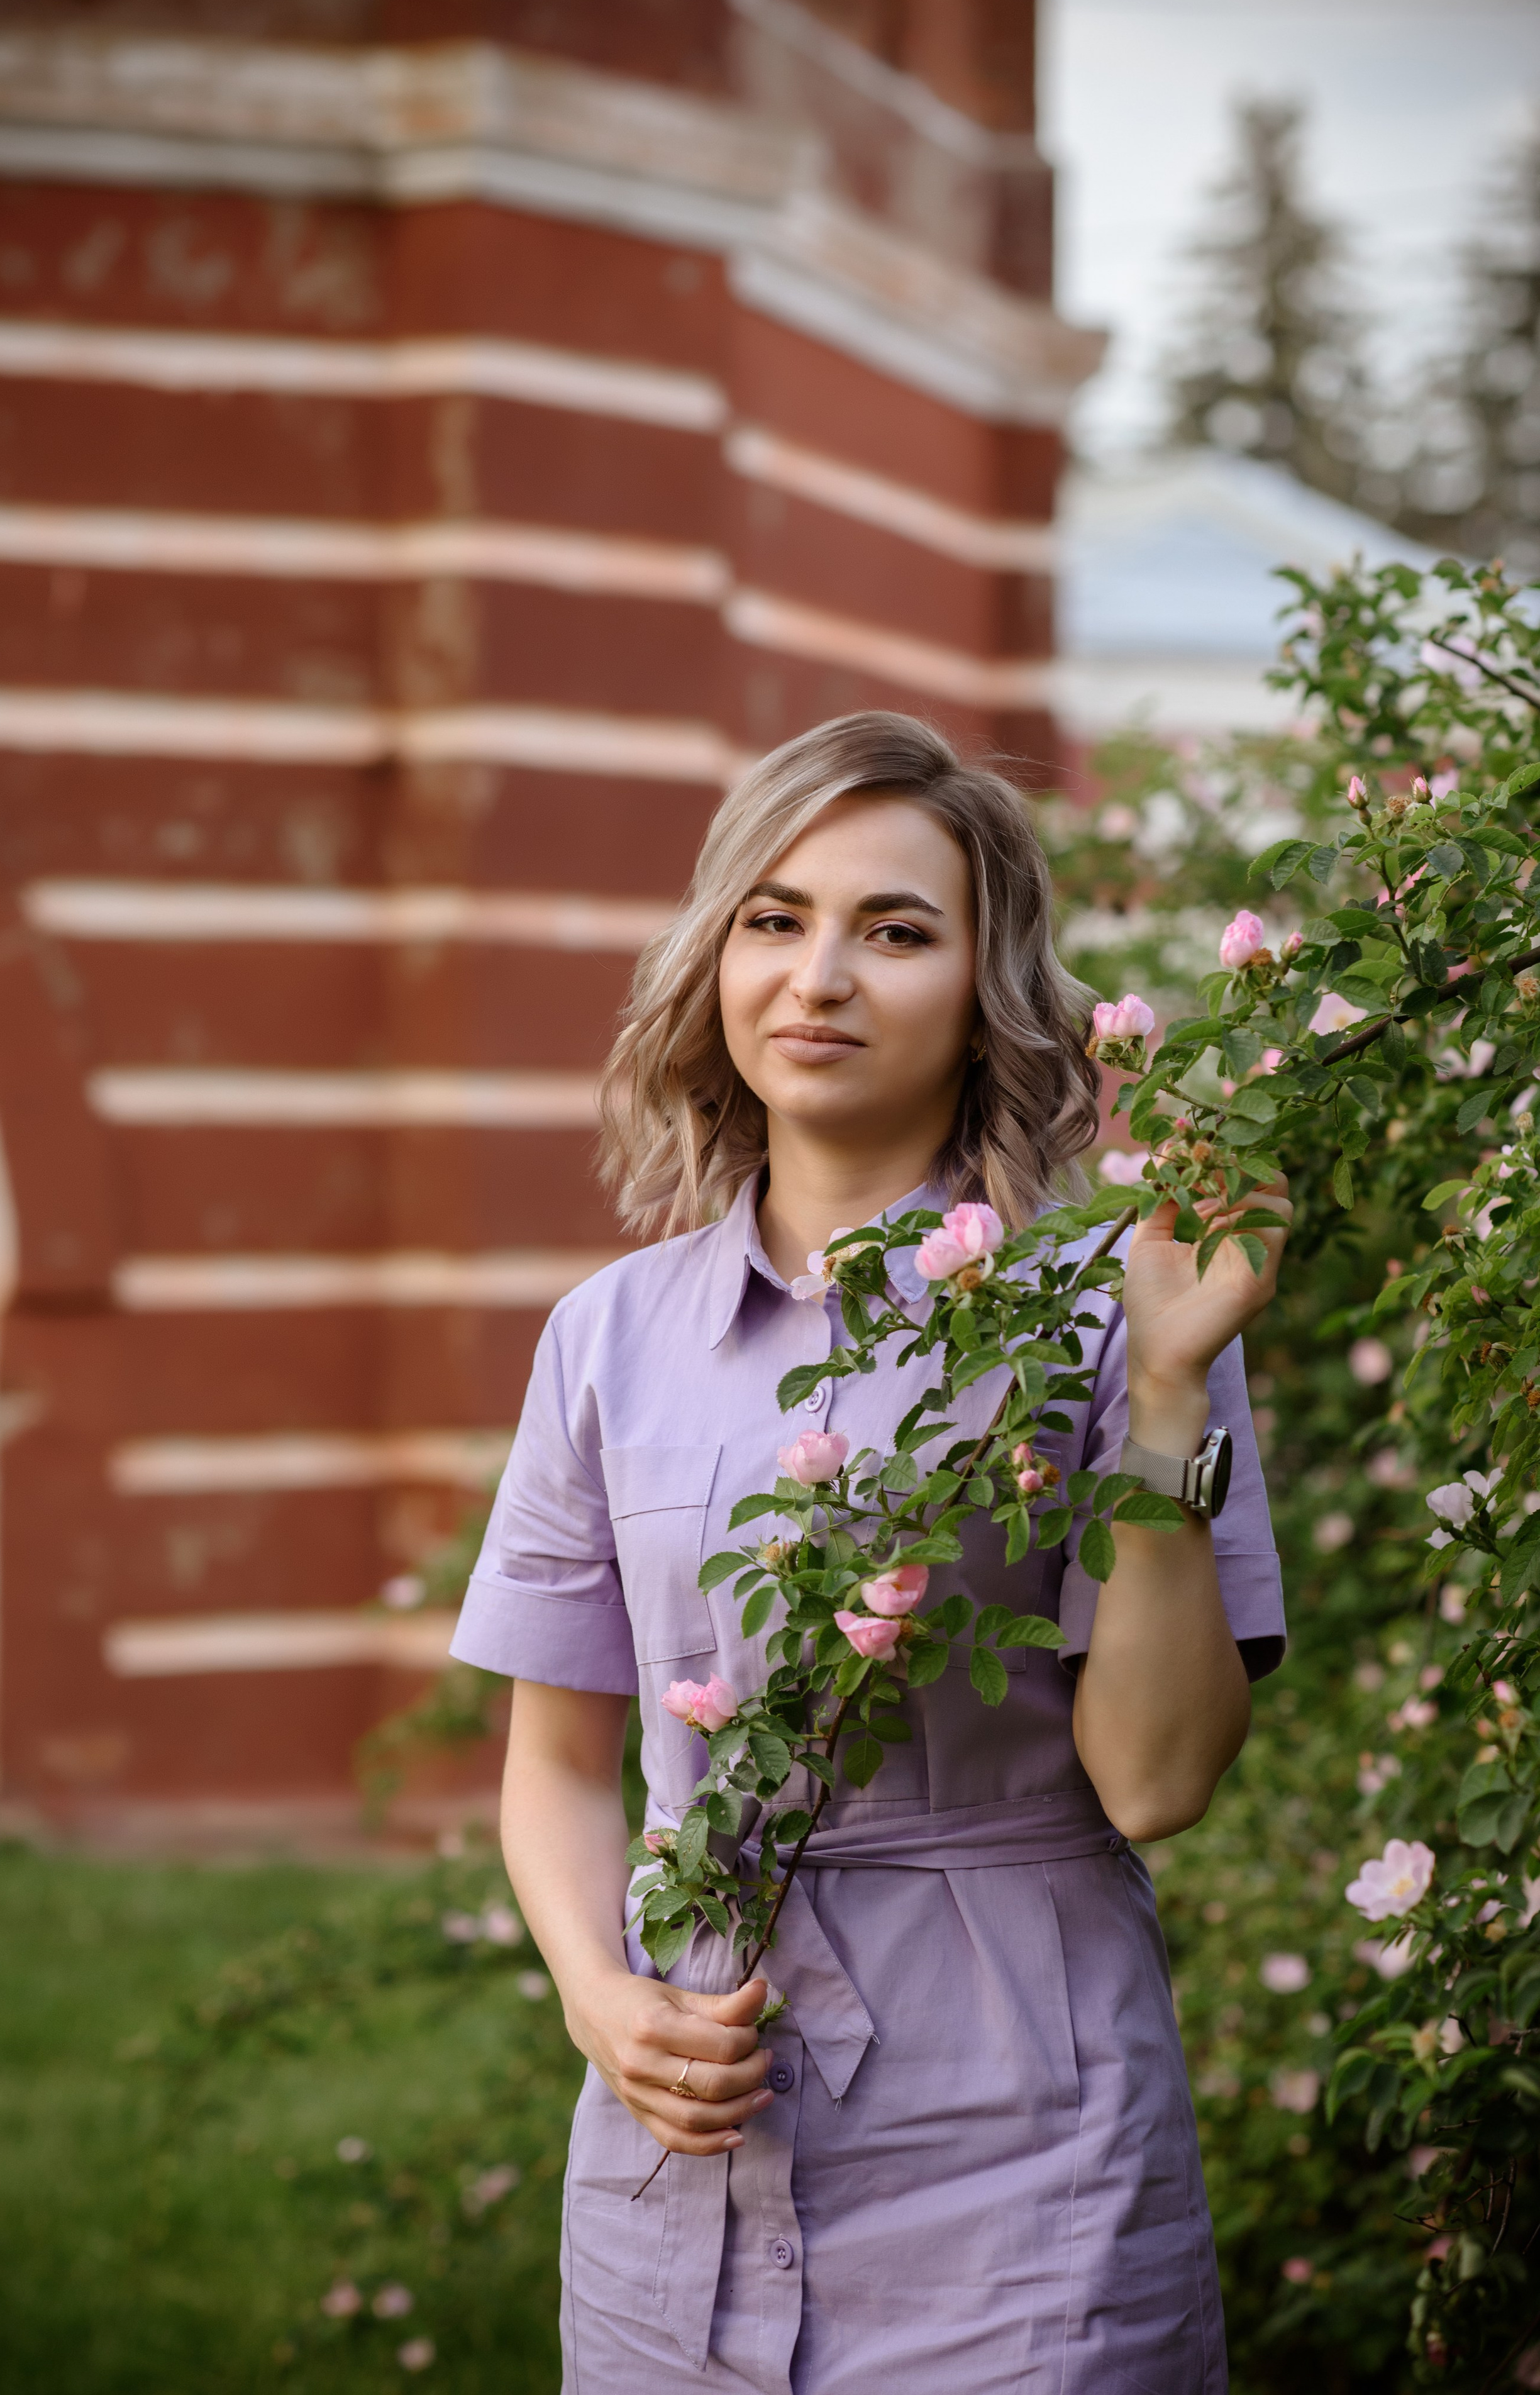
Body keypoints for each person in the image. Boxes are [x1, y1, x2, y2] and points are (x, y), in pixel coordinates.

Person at [450, 710, 1288, 2394]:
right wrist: (600, 1998)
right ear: (716, 955)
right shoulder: (605, 1337)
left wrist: (1166, 1393)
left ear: (986, 989)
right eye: (776, 918)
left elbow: (1156, 1780)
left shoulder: (1116, 1307)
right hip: (681, 2156)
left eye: (895, 931)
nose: (819, 976)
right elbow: (557, 1759)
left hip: (1028, 2164)